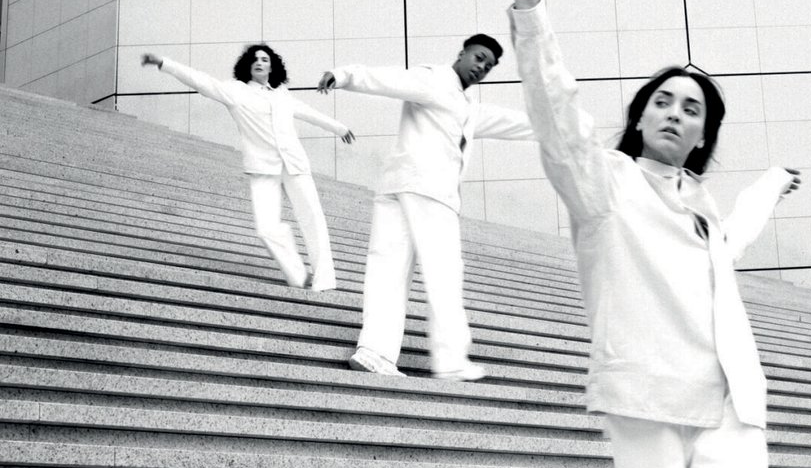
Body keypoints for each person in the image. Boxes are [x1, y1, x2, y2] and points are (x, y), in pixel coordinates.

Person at [494, 0, 810, 468]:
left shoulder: (701, 204)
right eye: (662, 101)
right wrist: (528, 1)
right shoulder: (602, 184)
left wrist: (768, 184)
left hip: (728, 406)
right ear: (639, 117)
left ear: (701, 137)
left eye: (691, 109)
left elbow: (735, 242)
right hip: (648, 404)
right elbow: (557, 115)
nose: (674, 112)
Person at [316, 34, 535, 381]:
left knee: (388, 268)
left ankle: (375, 351)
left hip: (399, 185)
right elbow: (391, 80)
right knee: (444, 274)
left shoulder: (468, 107)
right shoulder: (434, 80)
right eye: (479, 58)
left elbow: (509, 123)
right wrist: (344, 75)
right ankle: (450, 361)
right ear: (461, 54)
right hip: (430, 191)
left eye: (489, 66)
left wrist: (555, 127)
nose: (482, 68)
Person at [141, 45, 355, 292]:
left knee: (313, 219)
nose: (259, 62)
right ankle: (298, 275)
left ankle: (325, 280)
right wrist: (164, 63)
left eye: (265, 59)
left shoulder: (282, 94)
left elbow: (308, 113)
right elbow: (200, 81)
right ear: (247, 65)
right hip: (263, 168)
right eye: (254, 59)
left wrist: (339, 128)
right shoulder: (235, 91)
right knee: (266, 228)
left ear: (272, 66)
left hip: (295, 164)